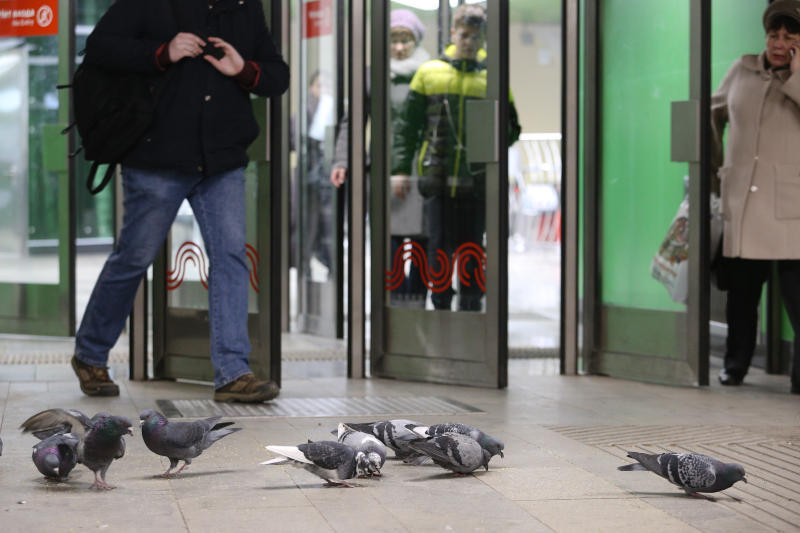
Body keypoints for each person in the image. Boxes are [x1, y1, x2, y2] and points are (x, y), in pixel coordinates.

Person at [72, 0, 289, 402]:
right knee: (134, 257)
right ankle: (90, 354)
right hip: (156, 157)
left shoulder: (244, 8)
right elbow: (100, 48)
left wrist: (244, 69)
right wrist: (161, 52)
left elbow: (277, 76)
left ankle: (232, 372)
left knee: (230, 257)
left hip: (221, 160)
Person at [391, 4, 521, 311]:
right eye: (464, 35)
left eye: (475, 37)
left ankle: (472, 307)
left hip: (476, 184)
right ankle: (439, 306)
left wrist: (490, 139)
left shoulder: (493, 77)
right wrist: (399, 170)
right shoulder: (430, 73)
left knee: (473, 248)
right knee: (438, 249)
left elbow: (513, 127)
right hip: (437, 181)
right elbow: (407, 127)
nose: (469, 42)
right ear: (453, 34)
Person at [711, 0, 800, 394]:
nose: (778, 43)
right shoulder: (741, 70)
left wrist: (796, 77)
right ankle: (735, 364)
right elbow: (711, 115)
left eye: (789, 36)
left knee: (797, 301)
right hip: (744, 203)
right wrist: (719, 170)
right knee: (742, 297)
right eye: (773, 34)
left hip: (792, 205)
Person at [330, 9, 431, 307]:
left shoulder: (429, 72)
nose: (399, 47)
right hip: (383, 171)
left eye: (406, 40)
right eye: (393, 40)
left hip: (420, 170)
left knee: (422, 242)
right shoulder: (372, 75)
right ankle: (391, 312)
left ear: (416, 41)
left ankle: (416, 310)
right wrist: (342, 160)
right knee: (389, 244)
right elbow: (354, 121)